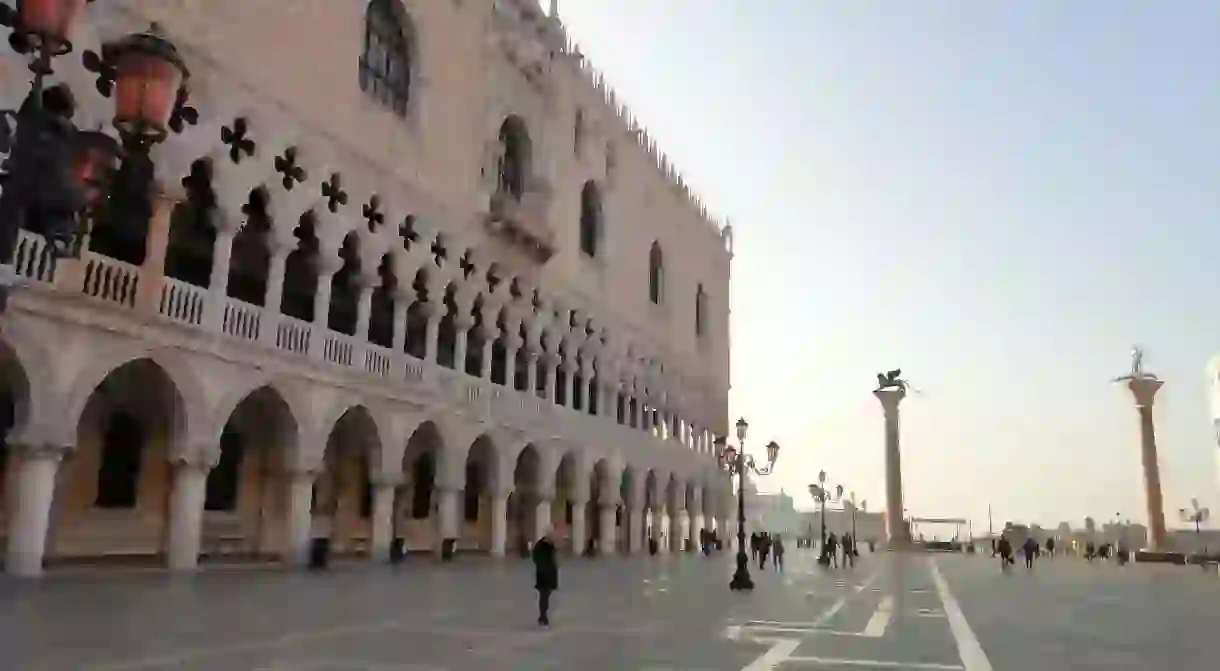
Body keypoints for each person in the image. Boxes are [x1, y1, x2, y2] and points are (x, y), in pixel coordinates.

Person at [532, 528, 559, 626]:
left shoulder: (551, 545)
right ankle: (543, 616)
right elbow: (536, 558)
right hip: (543, 574)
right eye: (552, 535)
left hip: (550, 574)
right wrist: (543, 568)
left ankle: (542, 615)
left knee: (546, 596)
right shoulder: (540, 545)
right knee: (544, 596)